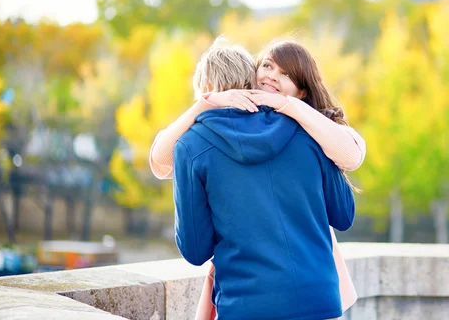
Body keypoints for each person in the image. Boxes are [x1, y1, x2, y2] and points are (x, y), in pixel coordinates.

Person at [150, 37, 364, 318]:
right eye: (268, 68)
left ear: (205, 90)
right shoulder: (311, 131)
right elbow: (344, 216)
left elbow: (195, 251)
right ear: (251, 81)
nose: (274, 78)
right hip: (318, 300)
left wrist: (202, 106)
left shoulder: (191, 147)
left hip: (246, 305)